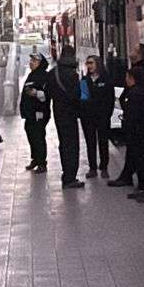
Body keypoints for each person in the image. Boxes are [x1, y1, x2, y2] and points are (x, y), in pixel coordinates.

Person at [108, 44, 144, 187]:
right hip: (137, 123)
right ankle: (128, 176)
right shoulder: (141, 69)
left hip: (138, 124)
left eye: (133, 50)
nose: (129, 51)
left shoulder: (140, 73)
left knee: (139, 155)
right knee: (134, 152)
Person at [45, 49, 85, 188]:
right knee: (72, 144)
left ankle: (65, 174)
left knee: (63, 143)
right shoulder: (73, 75)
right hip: (70, 113)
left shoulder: (52, 73)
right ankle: (70, 177)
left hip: (58, 112)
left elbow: (47, 93)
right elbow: (80, 96)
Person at [120, 64, 144, 202]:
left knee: (142, 161)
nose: (125, 80)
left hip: (139, 132)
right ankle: (143, 188)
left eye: (127, 77)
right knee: (140, 160)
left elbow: (133, 114)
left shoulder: (136, 94)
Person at [81, 55, 114, 177]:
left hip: (103, 116)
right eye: (87, 63)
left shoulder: (106, 79)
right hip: (88, 118)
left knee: (103, 142)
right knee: (90, 142)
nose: (89, 66)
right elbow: (83, 99)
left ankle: (104, 167)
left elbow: (110, 98)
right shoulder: (84, 80)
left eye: (91, 63)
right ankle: (92, 168)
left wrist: (107, 114)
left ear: (98, 64)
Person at [20, 50, 52, 173]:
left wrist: (36, 93)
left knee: (38, 136)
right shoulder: (32, 74)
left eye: (34, 61)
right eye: (31, 61)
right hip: (30, 113)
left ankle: (42, 162)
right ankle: (35, 158)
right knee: (30, 133)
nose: (31, 63)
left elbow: (48, 94)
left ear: (40, 63)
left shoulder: (44, 76)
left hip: (39, 112)